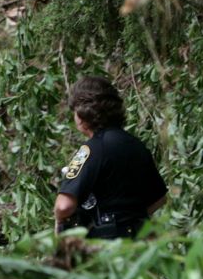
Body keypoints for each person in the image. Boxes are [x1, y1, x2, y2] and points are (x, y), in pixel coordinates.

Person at [54, 75, 168, 239]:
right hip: (141, 241)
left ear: (81, 113)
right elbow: (159, 199)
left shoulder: (90, 149)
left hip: (106, 244)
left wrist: (59, 222)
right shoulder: (136, 145)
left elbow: (64, 206)